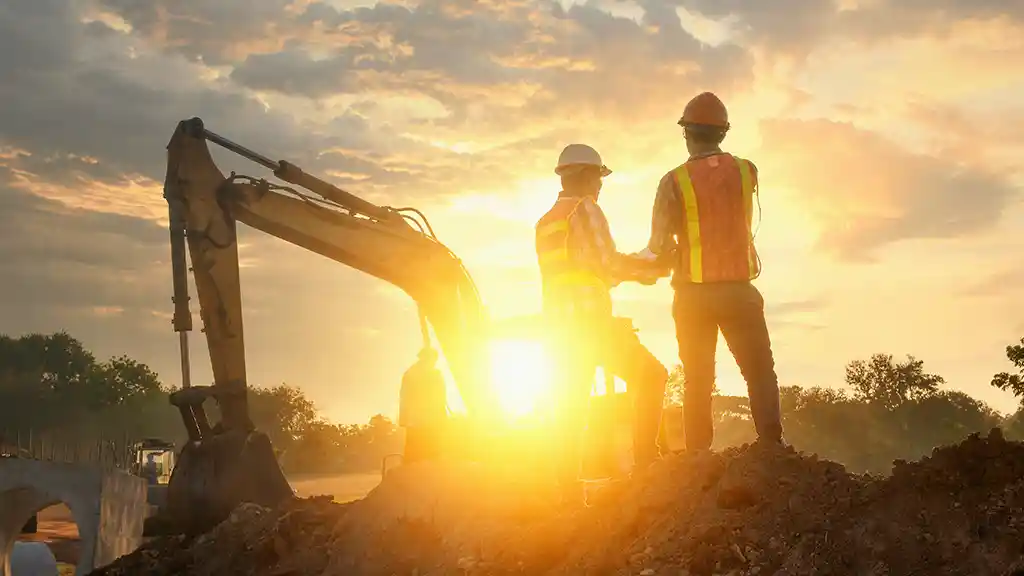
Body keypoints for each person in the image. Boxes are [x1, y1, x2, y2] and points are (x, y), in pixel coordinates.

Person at [637, 92, 784, 452]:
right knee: (760, 372)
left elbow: (657, 247)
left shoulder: (673, 181)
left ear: (686, 133)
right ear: (723, 132)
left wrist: (635, 265)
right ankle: (772, 449)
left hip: (693, 295)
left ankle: (697, 458)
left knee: (698, 380)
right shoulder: (747, 170)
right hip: (739, 292)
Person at [536, 143, 669, 506]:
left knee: (570, 405)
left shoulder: (547, 221)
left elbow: (583, 270)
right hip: (591, 324)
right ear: (583, 175)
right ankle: (647, 461)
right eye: (598, 177)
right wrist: (652, 268)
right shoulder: (587, 210)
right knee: (653, 376)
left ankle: (567, 492)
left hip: (560, 331)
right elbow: (608, 266)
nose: (600, 185)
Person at [399, 346, 448, 463]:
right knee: (423, 453)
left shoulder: (412, 373)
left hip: (421, 420)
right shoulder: (432, 374)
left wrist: (403, 418)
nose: (434, 362)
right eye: (432, 360)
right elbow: (405, 396)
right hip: (424, 421)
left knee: (419, 453)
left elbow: (404, 396)